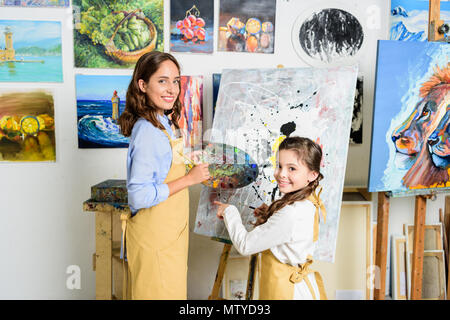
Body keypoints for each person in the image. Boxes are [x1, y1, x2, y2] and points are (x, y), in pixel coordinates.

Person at [118, 51, 210, 300]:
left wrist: (189, 163)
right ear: (143, 85)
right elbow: (139, 196)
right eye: (162, 81)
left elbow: (162, 171)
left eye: (176, 80)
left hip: (168, 238)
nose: (172, 89)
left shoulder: (162, 122)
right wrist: (190, 179)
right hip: (155, 240)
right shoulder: (148, 130)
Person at [215, 136, 328, 300]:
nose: (281, 174)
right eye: (279, 166)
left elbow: (246, 245)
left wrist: (229, 212)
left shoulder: (290, 213)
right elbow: (289, 233)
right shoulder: (308, 201)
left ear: (312, 174)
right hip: (294, 286)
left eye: (292, 169)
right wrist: (271, 213)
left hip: (288, 291)